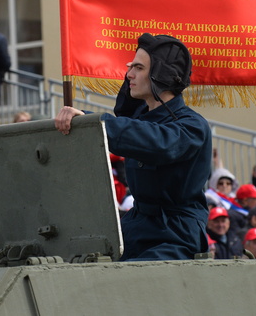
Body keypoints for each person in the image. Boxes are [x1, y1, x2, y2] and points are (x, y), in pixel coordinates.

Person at [55, 33, 211, 261]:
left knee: (126, 283)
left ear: (161, 74)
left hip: (176, 235)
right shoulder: (140, 120)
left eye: (139, 68)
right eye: (131, 67)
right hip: (137, 225)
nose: (129, 75)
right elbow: (131, 123)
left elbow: (158, 142)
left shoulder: (191, 126)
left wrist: (93, 123)